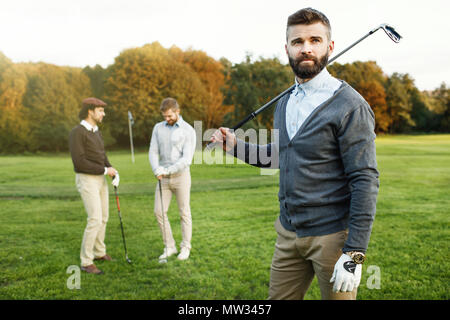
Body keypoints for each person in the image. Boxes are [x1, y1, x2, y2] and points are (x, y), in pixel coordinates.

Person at [211, 8, 379, 300]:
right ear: (286, 49)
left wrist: (355, 255)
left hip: (333, 238)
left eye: (315, 40)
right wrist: (235, 146)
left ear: (330, 46)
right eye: (297, 42)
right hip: (288, 234)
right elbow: (279, 156)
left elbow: (365, 179)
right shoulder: (284, 102)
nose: (306, 48)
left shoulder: (350, 105)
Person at [69, 97, 120, 275]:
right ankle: (86, 261)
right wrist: (105, 170)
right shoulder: (78, 132)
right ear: (90, 111)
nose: (103, 113)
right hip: (87, 179)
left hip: (100, 178)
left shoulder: (96, 131)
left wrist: (111, 169)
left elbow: (102, 155)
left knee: (104, 217)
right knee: (95, 219)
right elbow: (79, 162)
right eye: (100, 110)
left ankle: (99, 252)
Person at [149, 97, 196, 261]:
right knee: (159, 211)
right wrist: (156, 169)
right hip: (162, 178)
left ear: (178, 111)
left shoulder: (188, 130)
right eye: (164, 117)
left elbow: (186, 159)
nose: (167, 119)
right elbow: (153, 151)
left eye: (169, 116)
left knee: (184, 212)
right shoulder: (158, 128)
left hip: (181, 176)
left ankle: (185, 247)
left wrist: (167, 170)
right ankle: (169, 246)